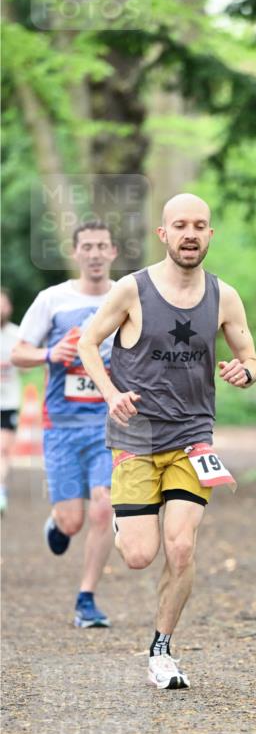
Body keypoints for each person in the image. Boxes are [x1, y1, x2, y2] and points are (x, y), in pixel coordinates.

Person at [78, 193, 256, 689]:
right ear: (163, 234)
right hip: (135, 437)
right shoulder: (132, 290)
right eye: (180, 225)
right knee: (139, 555)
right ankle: (125, 518)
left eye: (200, 225)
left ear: (210, 234)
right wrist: (111, 393)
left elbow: (251, 357)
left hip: (192, 438)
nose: (190, 234)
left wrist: (245, 372)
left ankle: (161, 650)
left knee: (180, 547)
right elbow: (88, 342)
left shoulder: (224, 296)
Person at [11, 220, 117, 627]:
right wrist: (50, 353)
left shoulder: (127, 297)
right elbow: (19, 353)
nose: (94, 253)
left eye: (101, 246)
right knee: (73, 521)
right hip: (62, 427)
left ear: (113, 252)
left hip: (107, 425)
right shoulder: (52, 299)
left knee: (104, 508)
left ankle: (86, 598)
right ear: (75, 253)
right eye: (87, 246)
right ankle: (57, 522)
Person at [0, 288, 21, 512]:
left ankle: (0, 490)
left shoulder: (17, 335)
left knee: (2, 449)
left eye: (3, 304)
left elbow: (28, 365)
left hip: (8, 404)